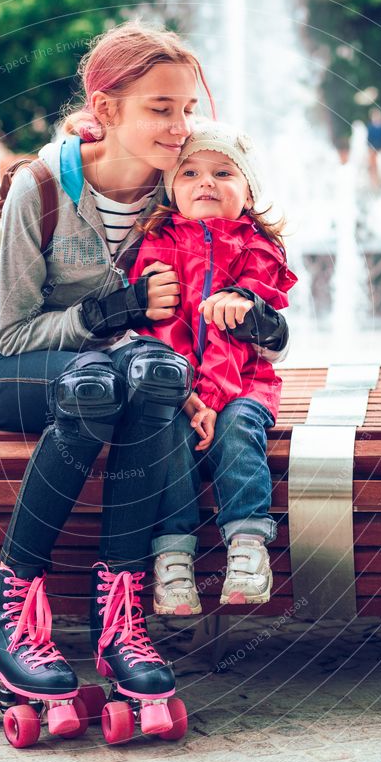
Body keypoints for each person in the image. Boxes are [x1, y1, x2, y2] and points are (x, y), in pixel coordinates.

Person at [0, 21, 217, 732]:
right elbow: (11, 330)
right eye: (159, 109)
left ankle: (119, 620)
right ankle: (8, 611)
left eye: (186, 109)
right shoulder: (42, 187)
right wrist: (105, 315)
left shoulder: (177, 192)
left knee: (157, 374)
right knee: (97, 380)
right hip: (14, 370)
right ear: (105, 110)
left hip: (112, 372)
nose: (179, 127)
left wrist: (199, 383)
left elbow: (222, 287)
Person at [128, 120, 297, 616]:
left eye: (224, 172)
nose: (206, 182)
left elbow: (233, 339)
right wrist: (187, 395)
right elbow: (161, 329)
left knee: (238, 426)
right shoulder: (158, 243)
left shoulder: (258, 249)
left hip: (243, 384)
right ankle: (173, 554)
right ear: (171, 190)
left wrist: (215, 400)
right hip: (179, 390)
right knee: (169, 434)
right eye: (191, 173)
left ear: (247, 192)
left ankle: (247, 544)